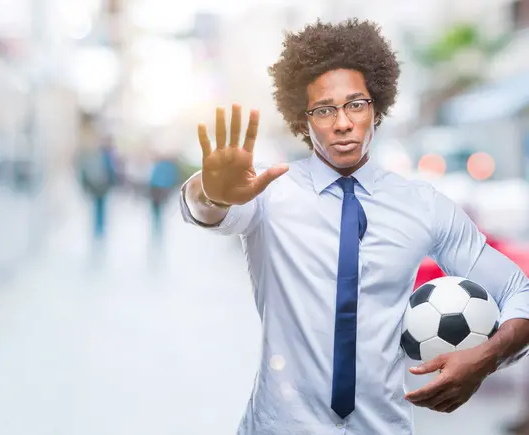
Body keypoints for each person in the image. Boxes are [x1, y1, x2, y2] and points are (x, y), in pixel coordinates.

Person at [179, 19, 529, 435]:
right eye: (324, 109)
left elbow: (518, 290)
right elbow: (208, 212)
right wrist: (210, 191)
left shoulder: (423, 205)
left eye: (356, 104)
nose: (342, 122)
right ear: (301, 118)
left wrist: (489, 356)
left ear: (376, 107)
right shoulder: (269, 193)